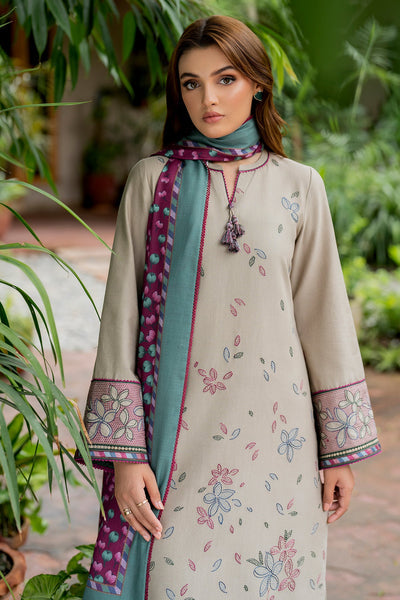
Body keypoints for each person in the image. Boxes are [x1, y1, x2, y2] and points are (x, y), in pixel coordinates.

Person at [77, 15, 381, 600]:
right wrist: (126, 457)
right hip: (175, 445)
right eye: (191, 83)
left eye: (225, 79)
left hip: (280, 443)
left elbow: (324, 320)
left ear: (258, 84)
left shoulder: (299, 185)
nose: (208, 99)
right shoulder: (152, 182)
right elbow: (120, 319)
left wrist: (338, 453)